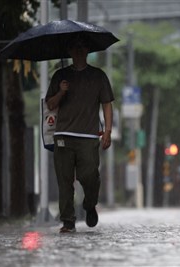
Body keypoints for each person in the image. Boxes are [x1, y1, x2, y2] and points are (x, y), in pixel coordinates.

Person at [45, 36, 114, 233]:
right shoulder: (60, 76)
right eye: (74, 47)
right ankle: (68, 221)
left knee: (90, 176)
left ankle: (90, 204)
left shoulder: (98, 76)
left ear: (87, 50)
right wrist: (61, 91)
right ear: (69, 51)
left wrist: (107, 131)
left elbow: (107, 104)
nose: (78, 50)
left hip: (89, 137)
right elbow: (50, 105)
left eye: (82, 46)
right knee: (65, 181)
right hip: (63, 135)